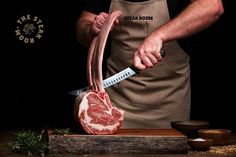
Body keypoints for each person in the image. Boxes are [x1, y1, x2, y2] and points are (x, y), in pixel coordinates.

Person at [76, 0, 224, 128]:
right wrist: (91, 29)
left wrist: (159, 36)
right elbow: (83, 26)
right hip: (114, 105)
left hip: (169, 105)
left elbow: (212, 6)